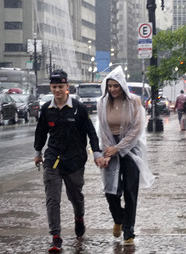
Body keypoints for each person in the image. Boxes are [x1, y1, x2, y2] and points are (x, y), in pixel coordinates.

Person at [34, 70, 105, 252]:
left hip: (74, 160)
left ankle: (79, 217)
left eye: (61, 86)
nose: (57, 90)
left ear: (67, 87)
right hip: (53, 160)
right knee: (52, 199)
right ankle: (56, 238)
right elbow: (41, 132)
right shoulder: (46, 109)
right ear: (51, 87)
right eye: (54, 87)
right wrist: (38, 152)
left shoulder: (79, 108)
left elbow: (91, 132)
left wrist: (96, 152)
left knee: (75, 196)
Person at [96, 66, 155, 246]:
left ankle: (128, 231)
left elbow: (137, 129)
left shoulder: (134, 102)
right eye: (110, 86)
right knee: (111, 190)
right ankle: (118, 218)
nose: (113, 89)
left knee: (130, 191)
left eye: (116, 86)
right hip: (109, 145)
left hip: (131, 147)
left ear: (122, 85)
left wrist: (120, 148)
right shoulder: (102, 103)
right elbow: (102, 128)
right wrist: (109, 149)